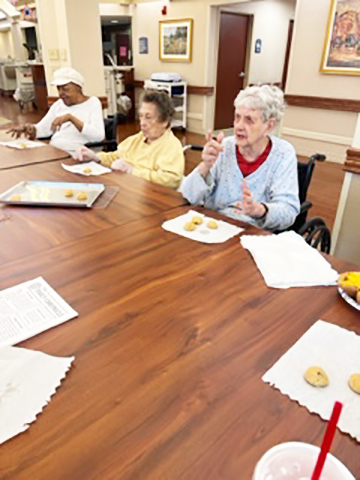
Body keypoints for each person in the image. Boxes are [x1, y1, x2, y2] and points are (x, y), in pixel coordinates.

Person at [180, 85, 300, 231]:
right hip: (214, 228)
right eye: (237, 118)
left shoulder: (283, 154)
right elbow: (187, 195)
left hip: (252, 234)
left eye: (249, 120)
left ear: (269, 126)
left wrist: (259, 210)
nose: (239, 126)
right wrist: (205, 165)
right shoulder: (224, 147)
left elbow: (289, 211)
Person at [77, 90, 184, 190]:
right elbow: (116, 156)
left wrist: (132, 171)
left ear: (164, 121)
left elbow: (171, 180)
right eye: (141, 116)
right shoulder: (138, 139)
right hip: (129, 189)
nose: (142, 123)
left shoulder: (171, 145)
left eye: (148, 117)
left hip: (150, 196)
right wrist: (96, 157)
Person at [8, 67, 105, 158]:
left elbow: (98, 136)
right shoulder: (59, 105)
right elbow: (44, 129)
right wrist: (30, 129)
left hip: (76, 154)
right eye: (59, 89)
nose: (61, 93)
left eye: (65, 89)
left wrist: (71, 119)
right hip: (55, 152)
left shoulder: (92, 103)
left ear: (78, 88)